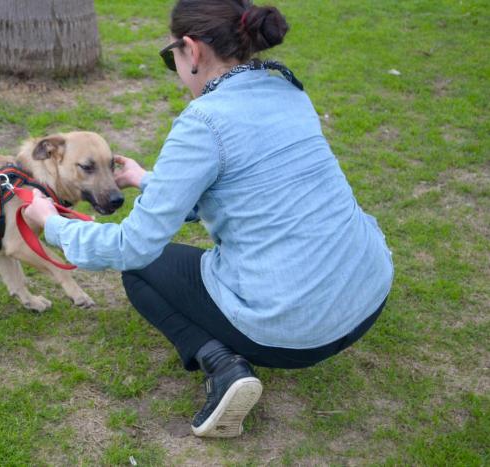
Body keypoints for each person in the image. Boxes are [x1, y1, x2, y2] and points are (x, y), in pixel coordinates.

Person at [23, 0, 394, 438]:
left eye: (171, 57)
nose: (175, 66)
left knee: (140, 268)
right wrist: (147, 179)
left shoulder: (203, 122)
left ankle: (222, 367)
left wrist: (52, 222)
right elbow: (241, 192)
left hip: (293, 332)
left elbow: (132, 246)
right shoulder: (288, 89)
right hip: (368, 295)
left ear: (192, 51)